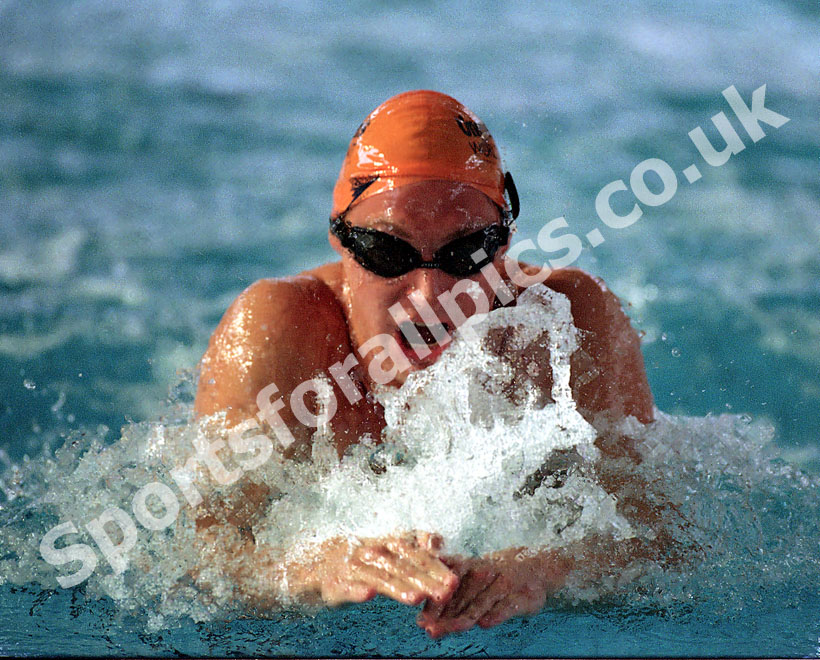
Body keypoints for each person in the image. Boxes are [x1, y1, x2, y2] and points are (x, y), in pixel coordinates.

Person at [192, 90, 657, 637]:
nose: (430, 296)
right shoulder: (279, 332)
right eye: (389, 252)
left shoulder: (569, 325)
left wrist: (546, 567)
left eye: (468, 254)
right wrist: (312, 567)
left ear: (503, 244)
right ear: (341, 241)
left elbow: (662, 542)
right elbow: (191, 556)